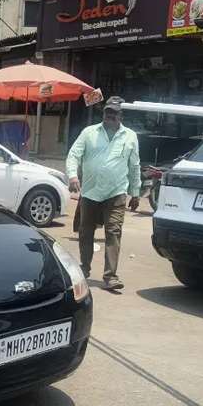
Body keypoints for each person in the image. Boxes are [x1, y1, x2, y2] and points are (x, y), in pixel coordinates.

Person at [65, 96, 141, 290]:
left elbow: (134, 166)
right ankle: (85, 267)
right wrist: (73, 176)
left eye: (114, 113)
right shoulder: (89, 133)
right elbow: (74, 155)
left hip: (116, 192)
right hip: (90, 192)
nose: (110, 116)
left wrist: (135, 192)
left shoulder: (130, 136)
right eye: (108, 112)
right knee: (85, 231)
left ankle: (110, 276)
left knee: (113, 232)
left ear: (121, 116)